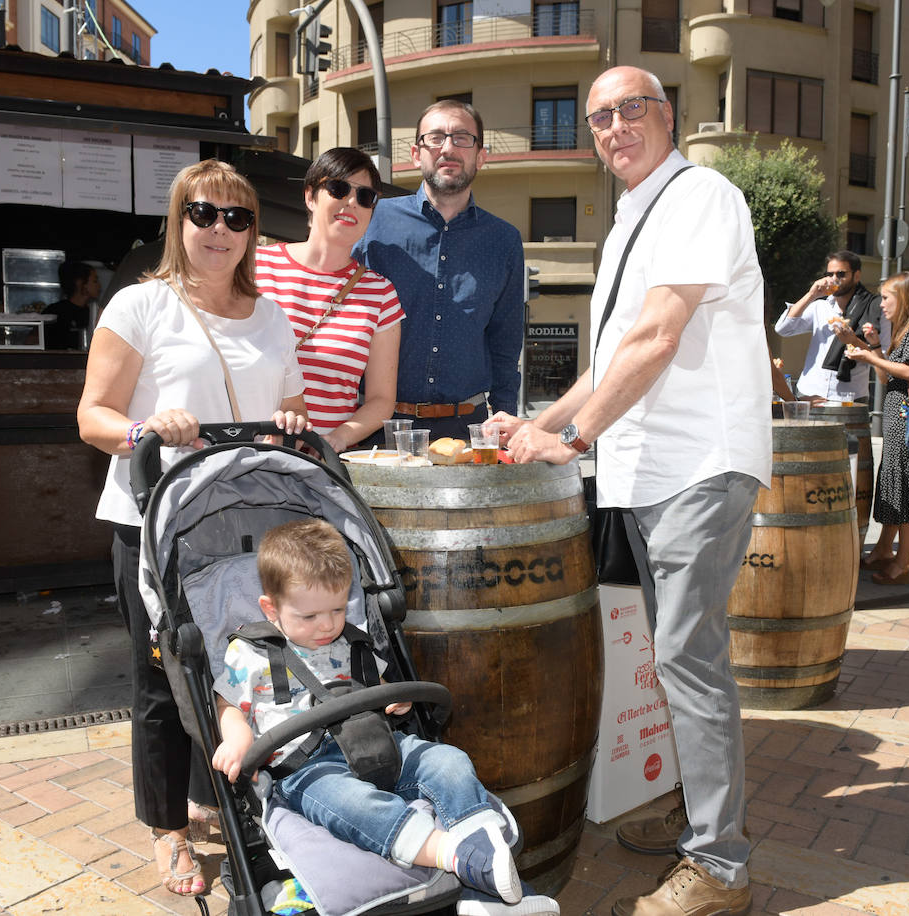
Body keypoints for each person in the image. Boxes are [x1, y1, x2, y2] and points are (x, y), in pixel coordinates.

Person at [486, 66, 771, 916]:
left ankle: (719, 866)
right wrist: (538, 419)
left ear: (667, 116)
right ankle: (701, 821)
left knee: (688, 657)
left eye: (630, 109)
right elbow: (610, 364)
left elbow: (655, 336)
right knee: (677, 658)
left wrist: (570, 438)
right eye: (599, 117)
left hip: (698, 466)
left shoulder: (699, 197)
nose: (613, 127)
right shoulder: (628, 225)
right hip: (647, 474)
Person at [77, 158, 309, 898]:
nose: (220, 229)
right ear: (178, 221)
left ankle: (221, 796)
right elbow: (92, 416)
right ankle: (168, 829)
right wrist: (148, 426)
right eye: (204, 213)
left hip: (242, 522)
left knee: (237, 670)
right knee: (161, 677)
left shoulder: (271, 315)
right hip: (153, 524)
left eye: (237, 217)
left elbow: (290, 404)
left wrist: (291, 424)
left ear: (252, 231)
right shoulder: (140, 306)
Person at [211, 519, 559, 916]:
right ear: (271, 608)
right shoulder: (252, 653)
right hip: (309, 768)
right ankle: (454, 856)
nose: (327, 625)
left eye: (338, 609)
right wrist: (237, 737)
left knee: (447, 760)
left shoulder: (352, 640)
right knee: (356, 805)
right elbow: (228, 703)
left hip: (377, 743)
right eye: (309, 617)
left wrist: (395, 700)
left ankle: (482, 869)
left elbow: (377, 682)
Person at [352, 99, 525, 441]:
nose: (448, 148)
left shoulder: (504, 240)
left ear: (481, 155)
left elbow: (505, 341)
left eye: (462, 138)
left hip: (470, 430)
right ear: (417, 154)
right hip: (379, 427)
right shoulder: (373, 221)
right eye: (436, 138)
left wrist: (506, 418)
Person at [255, 148, 403, 454]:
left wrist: (333, 440)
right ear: (310, 196)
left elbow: (381, 400)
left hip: (321, 469)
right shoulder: (254, 267)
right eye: (338, 188)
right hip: (245, 454)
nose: (352, 202)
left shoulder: (380, 293)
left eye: (365, 197)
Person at [846, 271, 909, 586]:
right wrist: (876, 349)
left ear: (904, 298)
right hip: (898, 422)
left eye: (886, 297)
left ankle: (905, 563)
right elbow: (889, 377)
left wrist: (871, 356)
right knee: (895, 486)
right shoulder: (904, 330)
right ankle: (885, 551)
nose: (881, 304)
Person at [772, 251, 889, 403]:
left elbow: (882, 359)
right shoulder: (820, 306)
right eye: (830, 274)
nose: (834, 279)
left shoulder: (875, 308)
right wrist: (811, 295)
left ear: (857, 275)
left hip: (850, 396)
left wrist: (853, 341)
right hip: (810, 392)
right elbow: (783, 329)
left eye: (841, 274)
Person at [44, 261, 99, 349]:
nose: (99, 286)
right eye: (95, 281)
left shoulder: (94, 313)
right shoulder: (54, 312)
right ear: (80, 283)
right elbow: (34, 341)